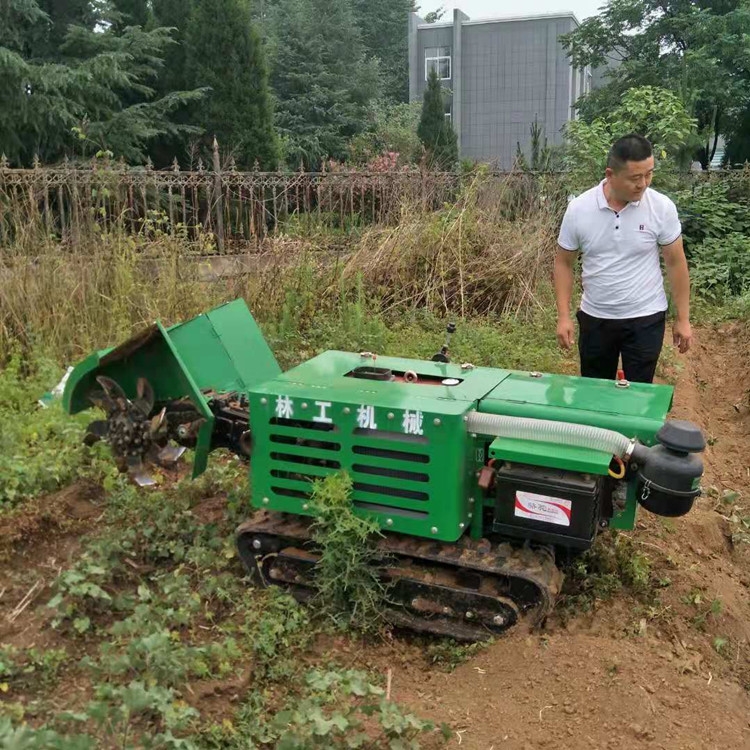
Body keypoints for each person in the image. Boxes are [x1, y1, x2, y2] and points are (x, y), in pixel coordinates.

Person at [554, 134, 692, 384]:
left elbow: (675, 262)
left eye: (649, 174)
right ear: (610, 174)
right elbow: (564, 262)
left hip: (646, 318)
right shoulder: (579, 209)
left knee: (639, 397)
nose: (644, 184)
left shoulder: (661, 207)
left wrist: (683, 318)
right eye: (635, 177)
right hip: (596, 319)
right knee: (595, 395)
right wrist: (563, 316)